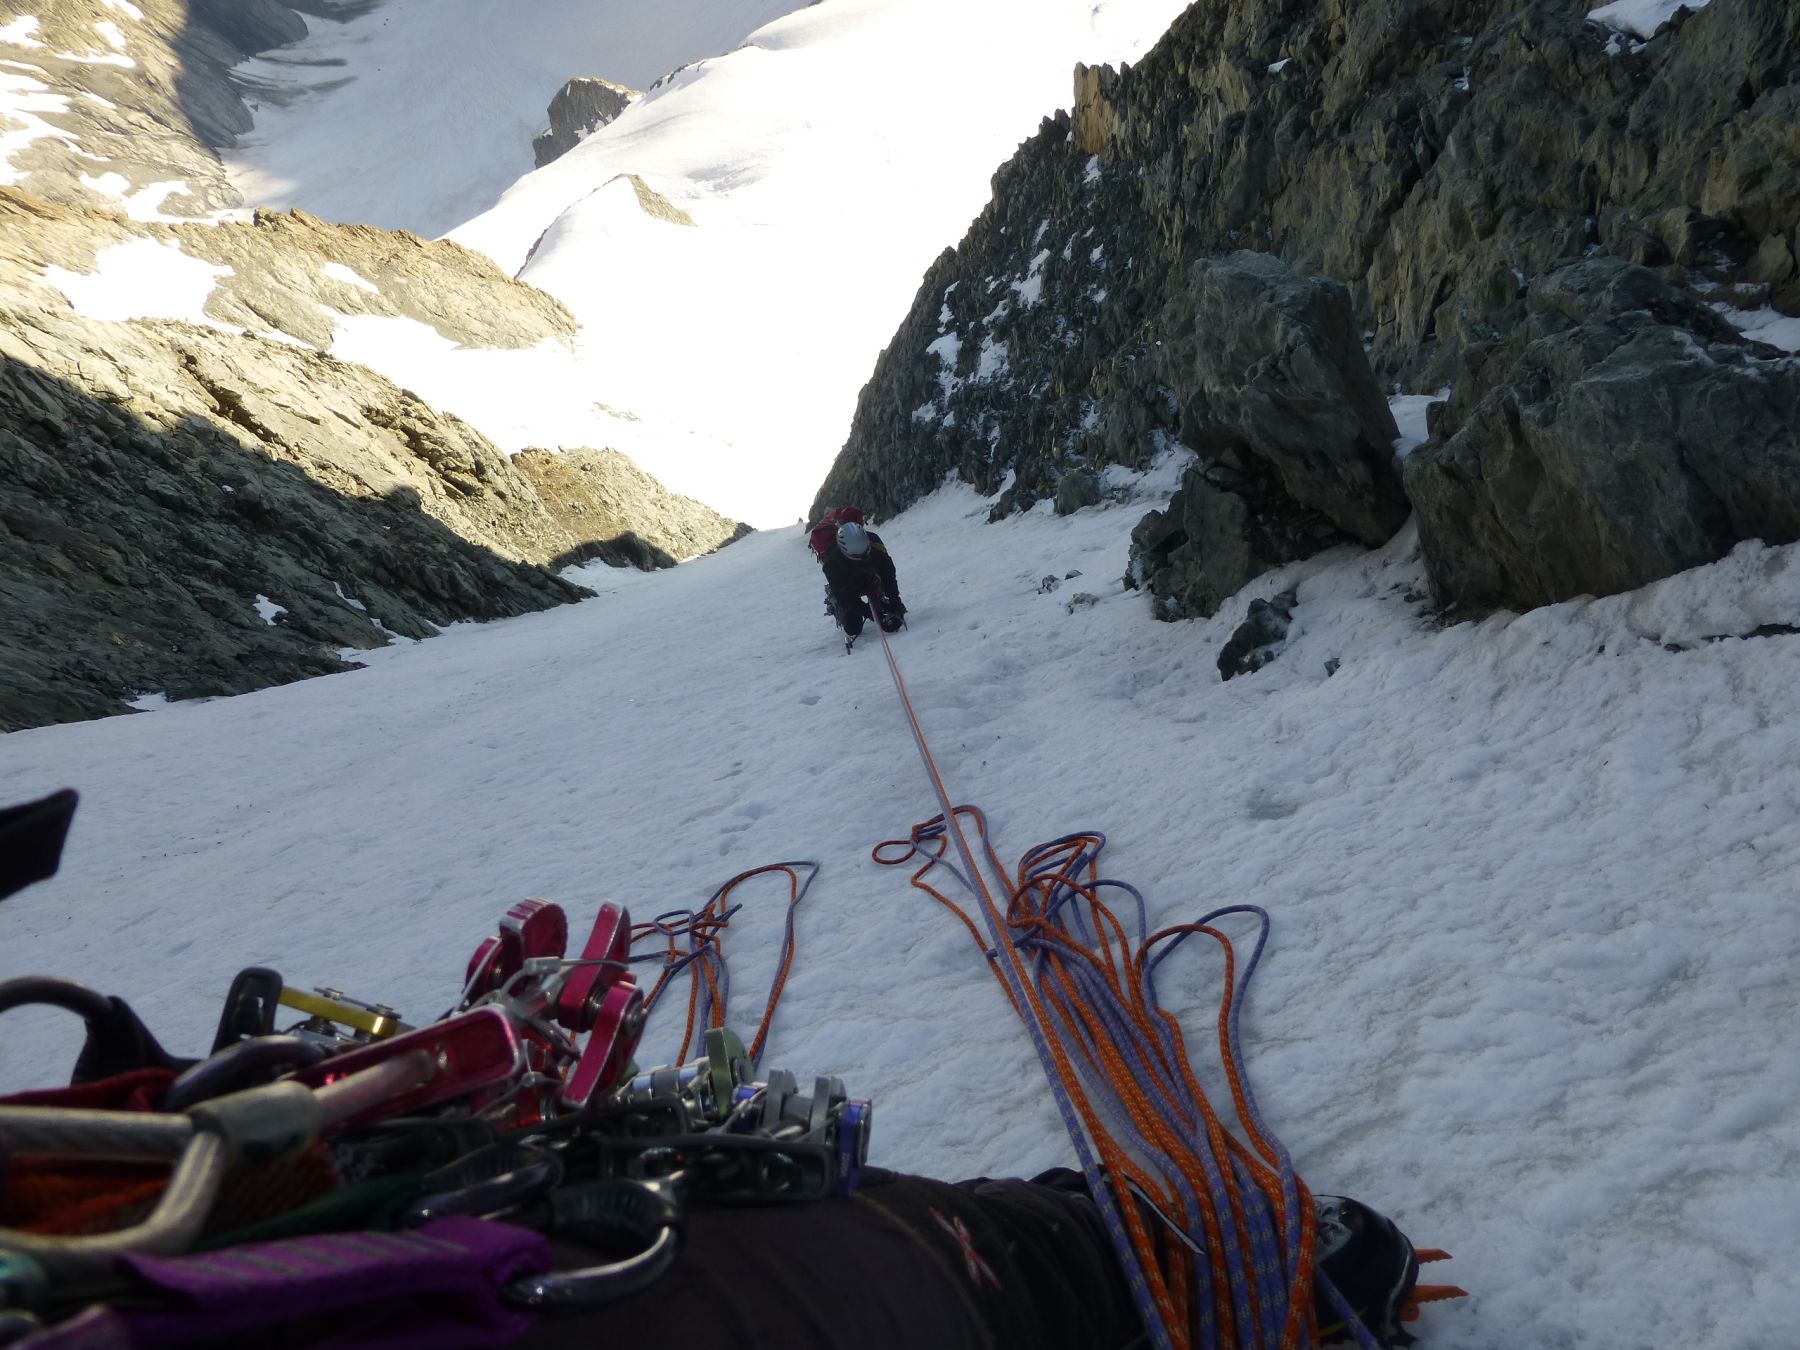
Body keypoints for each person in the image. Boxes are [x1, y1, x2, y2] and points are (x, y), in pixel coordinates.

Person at [820, 520, 905, 642]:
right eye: (856, 555)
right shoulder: (831, 564)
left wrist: (895, 601)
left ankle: (879, 599)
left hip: (870, 573)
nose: (863, 557)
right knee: (853, 628)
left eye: (866, 551)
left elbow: (888, 573)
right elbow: (846, 599)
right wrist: (876, 617)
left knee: (891, 607)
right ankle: (833, 600)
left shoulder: (874, 542)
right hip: (847, 584)